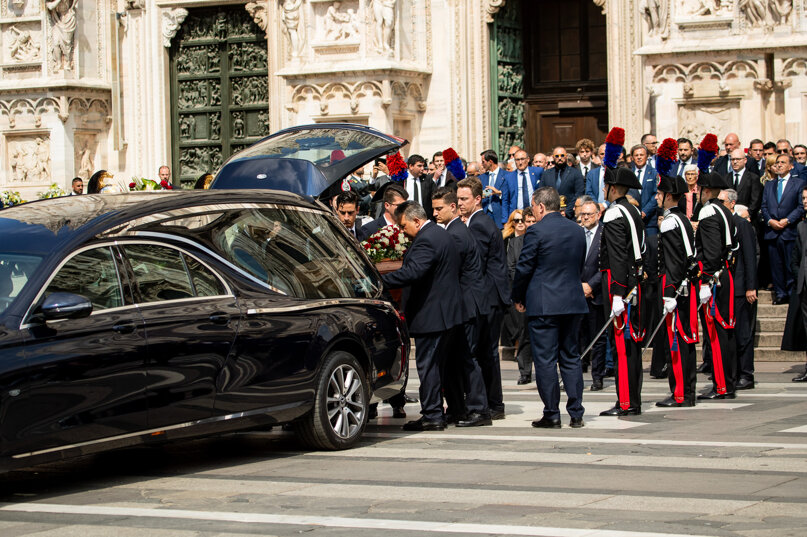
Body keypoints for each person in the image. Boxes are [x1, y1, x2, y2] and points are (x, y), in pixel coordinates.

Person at [381, 201, 464, 430]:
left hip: (433, 314)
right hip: (446, 313)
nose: (401, 230)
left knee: (429, 366)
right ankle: (452, 410)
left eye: (404, 225)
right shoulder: (440, 234)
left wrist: (379, 281)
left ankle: (432, 415)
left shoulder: (427, 238)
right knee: (441, 366)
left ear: (416, 221)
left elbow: (413, 272)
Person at [512, 187, 588, 429]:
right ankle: (576, 413)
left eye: (533, 207)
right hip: (572, 301)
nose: (532, 211)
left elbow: (524, 268)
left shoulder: (536, 231)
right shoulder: (577, 230)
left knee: (545, 360)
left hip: (544, 304)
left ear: (541, 207)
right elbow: (579, 263)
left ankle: (552, 413)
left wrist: (518, 296)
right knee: (571, 357)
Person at [431, 187, 492, 427]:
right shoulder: (454, 230)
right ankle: (457, 408)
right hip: (464, 304)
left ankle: (479, 409)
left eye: (439, 208)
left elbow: (447, 271)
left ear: (453, 207)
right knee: (457, 358)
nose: (435, 213)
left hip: (467, 305)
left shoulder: (456, 234)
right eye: (433, 208)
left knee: (468, 358)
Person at [456, 177, 510, 419]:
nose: (459, 203)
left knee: (483, 352)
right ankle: (494, 404)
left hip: (487, 297)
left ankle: (491, 404)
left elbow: (474, 265)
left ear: (478, 199)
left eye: (464, 199)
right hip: (491, 296)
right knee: (487, 353)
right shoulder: (480, 221)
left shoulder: (478, 224)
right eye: (457, 199)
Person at [599, 166, 646, 416]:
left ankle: (626, 402)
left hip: (619, 284)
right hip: (632, 282)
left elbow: (617, 256)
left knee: (622, 346)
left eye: (606, 186)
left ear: (613, 189)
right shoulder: (632, 210)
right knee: (630, 347)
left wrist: (617, 292)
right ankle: (630, 400)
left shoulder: (614, 213)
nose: (604, 190)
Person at [655, 173, 699, 407]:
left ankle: (681, 393)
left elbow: (674, 261)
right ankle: (686, 391)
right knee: (685, 341)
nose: (657, 197)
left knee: (679, 341)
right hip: (685, 286)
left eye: (660, 194)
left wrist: (670, 292)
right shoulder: (681, 218)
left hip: (676, 289)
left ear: (669, 196)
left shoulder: (671, 222)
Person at [696, 172, 739, 400]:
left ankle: (722, 386)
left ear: (708, 191)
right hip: (726, 275)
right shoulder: (725, 211)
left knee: (716, 334)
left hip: (714, 279)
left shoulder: (708, 212)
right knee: (725, 333)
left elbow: (711, 252)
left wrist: (705, 278)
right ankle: (727, 382)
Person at [719, 189, 758, 390]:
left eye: (722, 201)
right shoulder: (722, 224)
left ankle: (746, 373)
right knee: (730, 334)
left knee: (743, 333)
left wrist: (751, 286)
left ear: (732, 204)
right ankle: (730, 373)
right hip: (727, 287)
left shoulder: (742, 225)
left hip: (742, 287)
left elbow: (750, 258)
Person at [761, 153, 806, 304]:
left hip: (790, 231)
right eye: (777, 162)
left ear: (791, 166)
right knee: (776, 265)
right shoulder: (769, 184)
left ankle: (791, 292)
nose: (779, 165)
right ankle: (780, 293)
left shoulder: (798, 183)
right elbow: (764, 206)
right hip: (772, 231)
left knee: (789, 264)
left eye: (783, 162)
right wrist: (770, 221)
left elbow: (801, 207)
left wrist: (787, 220)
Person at [502, 209, 533, 384]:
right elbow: (512, 267)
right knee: (524, 334)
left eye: (531, 221)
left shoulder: (541, 240)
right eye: (525, 221)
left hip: (540, 293)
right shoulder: (515, 243)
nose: (527, 224)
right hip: (522, 294)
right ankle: (525, 372)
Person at [578, 199, 606, 391]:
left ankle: (597, 377)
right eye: (583, 214)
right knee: (577, 337)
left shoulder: (605, 235)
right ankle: (576, 375)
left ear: (598, 215)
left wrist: (591, 285)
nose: (586, 217)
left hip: (597, 294)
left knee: (598, 339)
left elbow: (606, 265)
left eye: (589, 214)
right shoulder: (576, 234)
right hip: (577, 293)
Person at [788, 186, 807, 382]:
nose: (805, 201)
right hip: (804, 284)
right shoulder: (801, 226)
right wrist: (799, 273)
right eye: (803, 198)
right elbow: (796, 256)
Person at [541, 146, 585, 219]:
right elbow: (542, 194)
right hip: (550, 215)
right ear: (553, 157)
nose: (560, 158)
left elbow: (579, 193)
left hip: (570, 215)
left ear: (566, 156)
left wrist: (567, 211)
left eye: (562, 155)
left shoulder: (576, 173)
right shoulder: (546, 174)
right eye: (557, 156)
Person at [502, 149, 543, 222]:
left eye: (522, 159)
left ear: (528, 159)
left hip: (535, 215)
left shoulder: (537, 172)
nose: (520, 162)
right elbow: (505, 200)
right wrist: (505, 221)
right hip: (517, 216)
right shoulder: (509, 177)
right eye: (517, 160)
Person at [629, 143, 659, 235]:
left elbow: (656, 194)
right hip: (632, 220)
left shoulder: (654, 173)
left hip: (650, 222)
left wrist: (645, 211)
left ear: (647, 156)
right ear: (632, 158)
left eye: (641, 155)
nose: (639, 157)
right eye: (636, 155)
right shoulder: (628, 173)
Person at [727, 148, 763, 220]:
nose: (735, 162)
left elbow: (756, 200)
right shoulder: (726, 178)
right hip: (729, 218)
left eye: (738, 159)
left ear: (745, 160)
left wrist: (748, 213)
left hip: (748, 219)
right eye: (732, 159)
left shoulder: (753, 178)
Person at [479, 149, 508, 229]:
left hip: (500, 216)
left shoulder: (506, 176)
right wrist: (481, 195)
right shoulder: (481, 178)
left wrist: (500, 193)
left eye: (483, 162)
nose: (482, 164)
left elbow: (510, 195)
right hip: (485, 216)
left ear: (490, 162)